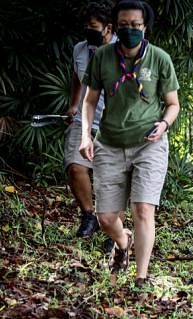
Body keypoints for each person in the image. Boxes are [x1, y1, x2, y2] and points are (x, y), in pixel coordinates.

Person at [80, 0, 179, 287]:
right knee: (106, 218)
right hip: (109, 143)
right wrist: (87, 135)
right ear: (115, 27)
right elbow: (90, 100)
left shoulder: (160, 59)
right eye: (124, 25)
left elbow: (173, 104)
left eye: (136, 25)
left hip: (149, 143)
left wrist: (164, 124)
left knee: (143, 209)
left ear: (145, 27)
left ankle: (141, 276)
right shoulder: (102, 57)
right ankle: (123, 243)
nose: (130, 30)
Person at [67, 0, 115, 240]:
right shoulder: (80, 49)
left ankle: (114, 234)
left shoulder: (124, 50)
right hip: (84, 120)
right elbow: (76, 76)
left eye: (93, 25)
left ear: (108, 27)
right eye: (85, 25)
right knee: (75, 168)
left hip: (114, 124)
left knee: (111, 180)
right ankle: (89, 216)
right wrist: (74, 104)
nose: (88, 29)